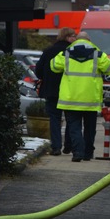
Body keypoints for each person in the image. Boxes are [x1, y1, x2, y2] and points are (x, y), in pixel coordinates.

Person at [51, 31, 110, 162]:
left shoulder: (65, 54)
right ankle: (87, 153)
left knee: (74, 127)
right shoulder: (98, 54)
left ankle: (77, 153)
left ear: (75, 40)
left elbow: (53, 66)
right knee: (90, 128)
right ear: (89, 40)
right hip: (90, 99)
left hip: (71, 98)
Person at [35, 27, 77, 155]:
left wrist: (46, 78)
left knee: (54, 118)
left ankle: (56, 147)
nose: (75, 39)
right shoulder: (73, 52)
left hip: (51, 90)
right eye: (73, 36)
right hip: (69, 91)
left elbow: (39, 71)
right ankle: (68, 146)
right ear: (68, 37)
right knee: (71, 119)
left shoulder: (48, 51)